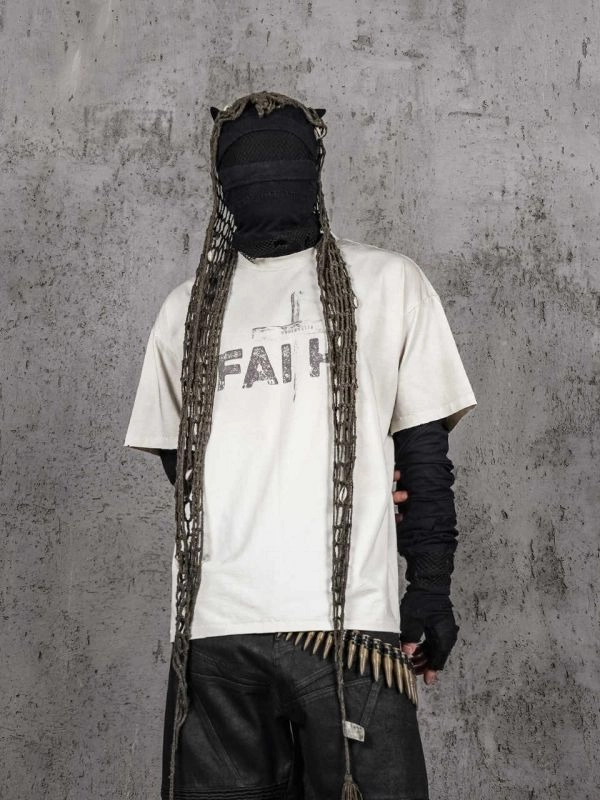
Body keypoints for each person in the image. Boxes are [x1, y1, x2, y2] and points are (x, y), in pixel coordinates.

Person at [123, 90, 477, 800]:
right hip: (314, 632)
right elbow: (423, 464)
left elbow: (184, 469)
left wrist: (430, 591)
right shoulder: (194, 308)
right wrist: (428, 593)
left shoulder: (192, 308)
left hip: (244, 628)